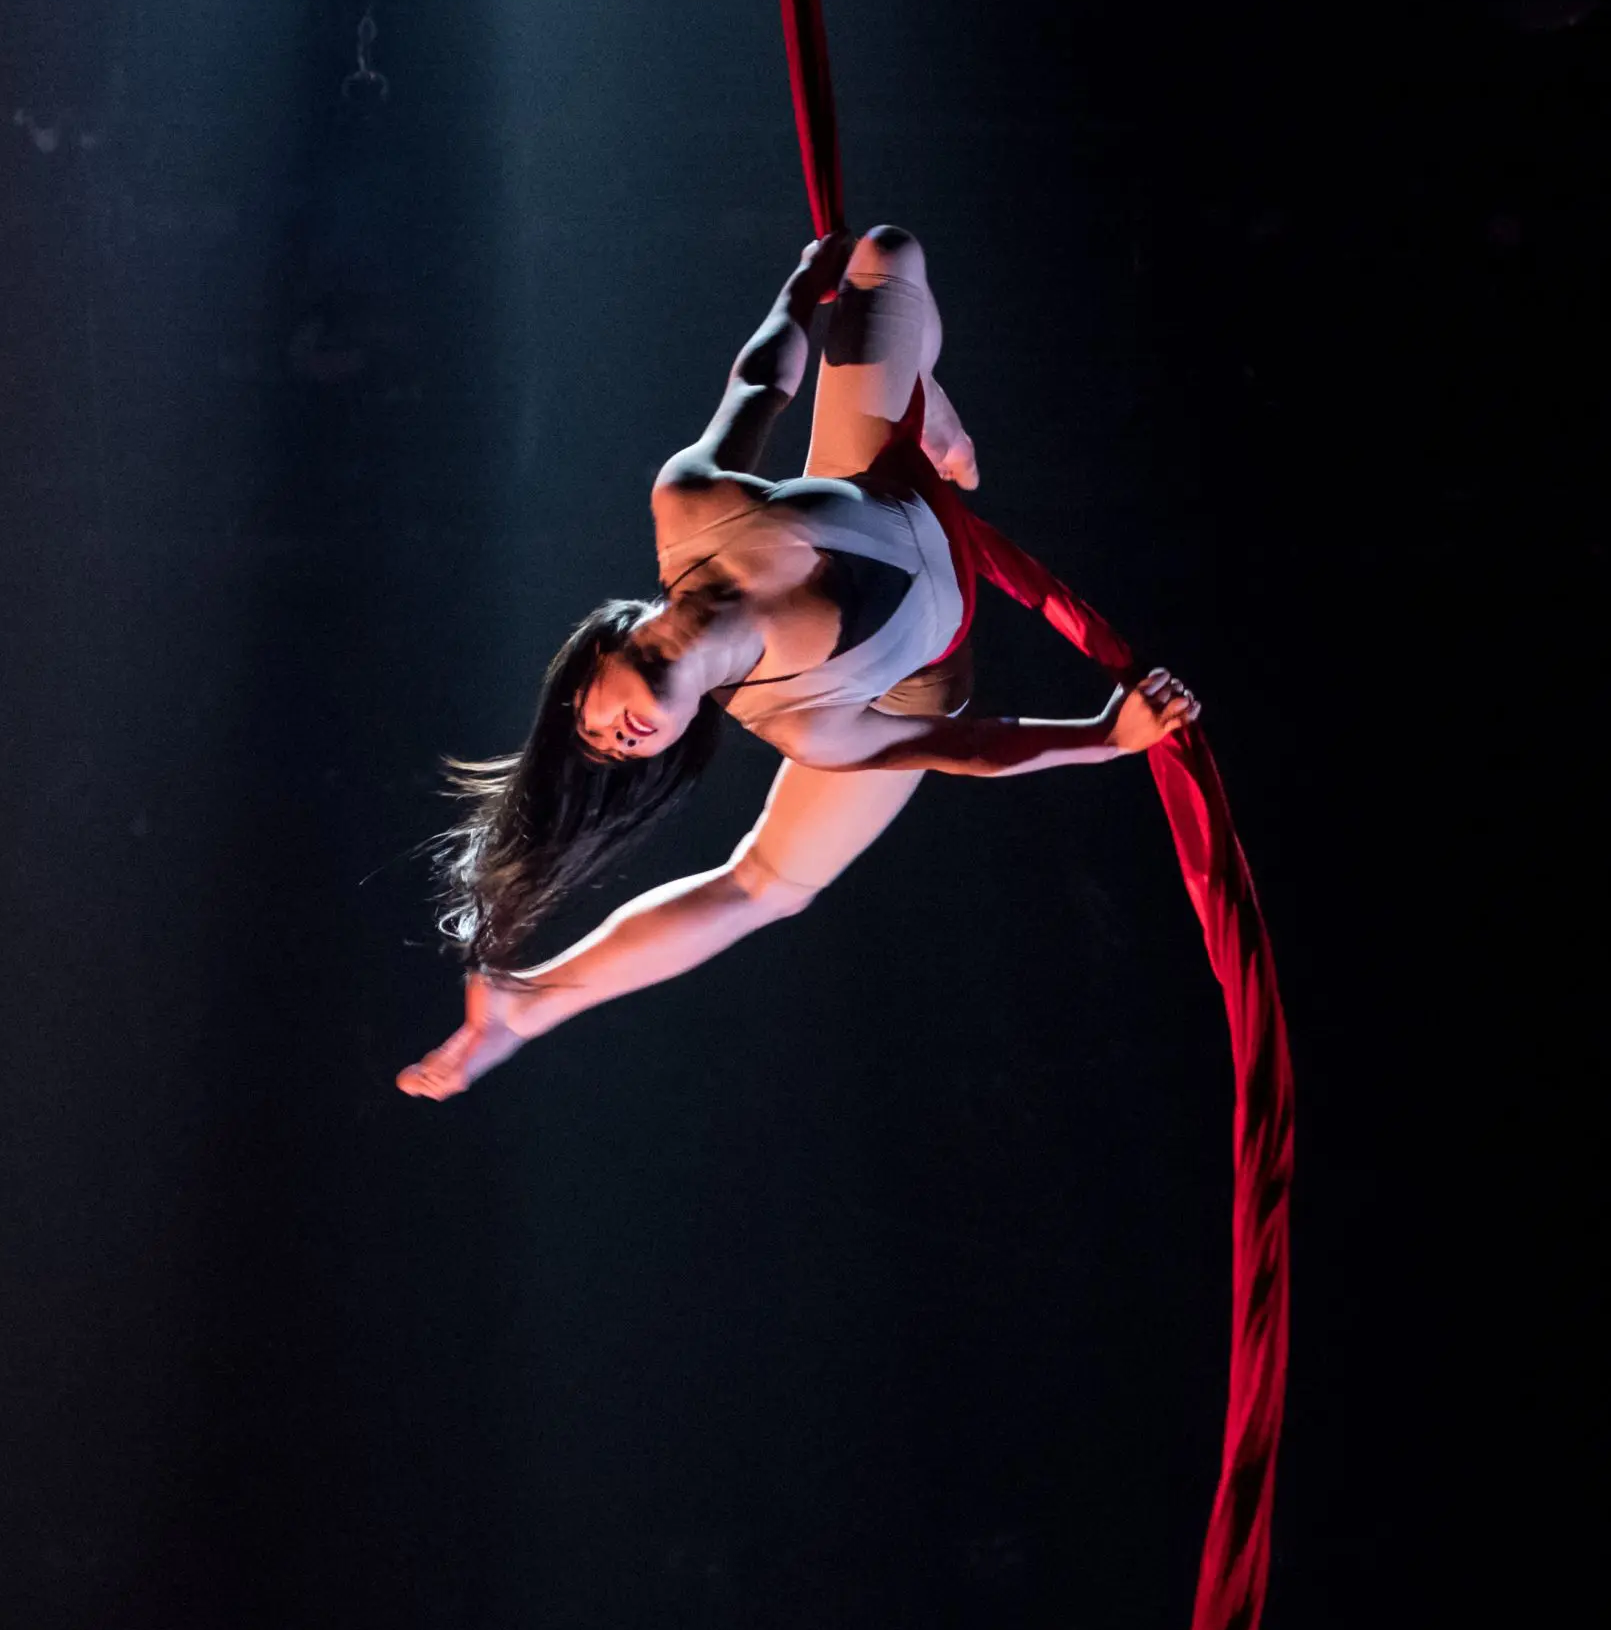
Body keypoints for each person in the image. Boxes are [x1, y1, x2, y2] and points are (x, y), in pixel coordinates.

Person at [398, 224, 1197, 1099]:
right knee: (766, 883)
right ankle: (525, 1007)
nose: (617, 741)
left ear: (594, 657)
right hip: (915, 679)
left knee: (885, 251)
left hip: (879, 473)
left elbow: (759, 383)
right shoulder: (802, 722)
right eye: (620, 755)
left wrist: (797, 289)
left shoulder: (691, 505)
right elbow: (965, 748)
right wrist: (1104, 737)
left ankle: (926, 398)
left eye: (590, 727)